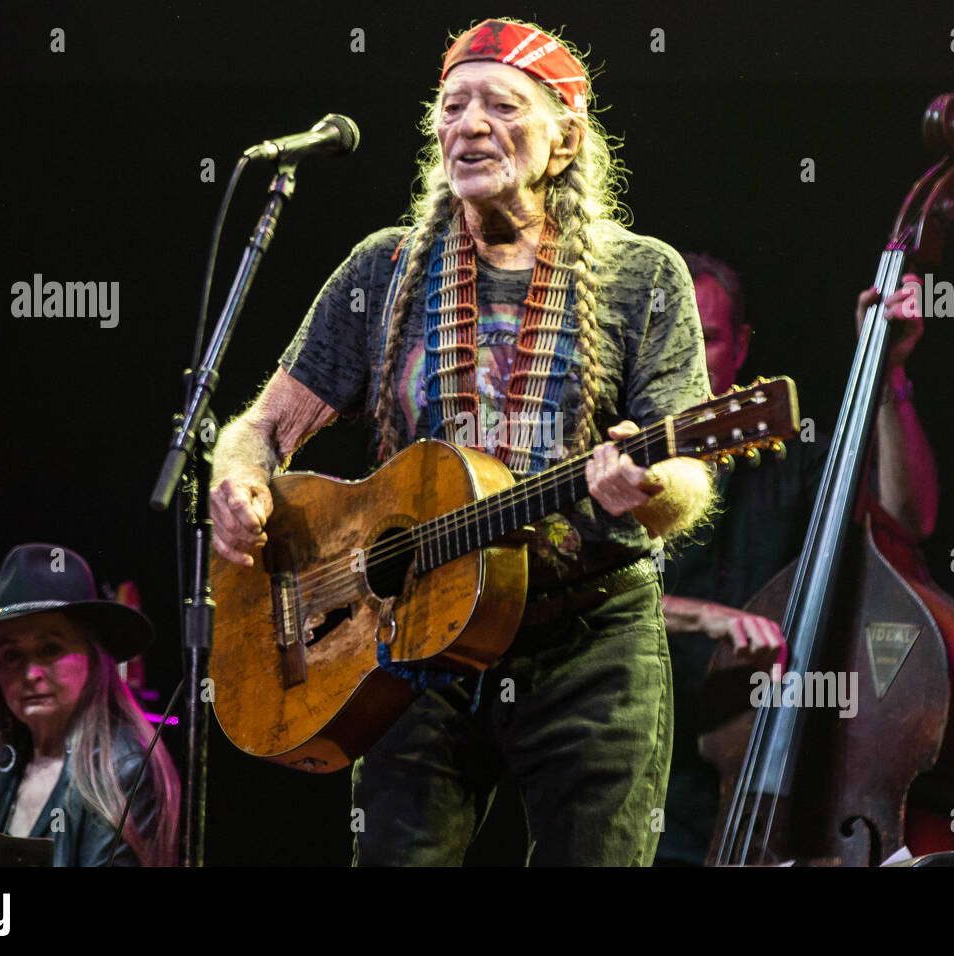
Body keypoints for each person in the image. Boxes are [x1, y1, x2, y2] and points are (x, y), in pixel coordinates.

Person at [210, 18, 714, 865]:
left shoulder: (643, 275)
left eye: (501, 104)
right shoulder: (385, 269)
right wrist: (238, 477)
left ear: (565, 139)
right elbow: (259, 428)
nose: (468, 124)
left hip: (586, 639)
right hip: (409, 641)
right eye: (451, 106)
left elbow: (689, 474)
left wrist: (653, 489)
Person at [655, 252, 937, 865]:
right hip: (654, 789)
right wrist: (708, 617)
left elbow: (910, 516)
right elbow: (592, 592)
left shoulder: (791, 456)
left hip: (779, 783)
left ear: (742, 347)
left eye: (705, 339)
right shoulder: (621, 462)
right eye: (670, 340)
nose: (686, 360)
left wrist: (885, 372)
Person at [0, 543, 180, 866]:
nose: (30, 673)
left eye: (50, 648)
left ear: (94, 658)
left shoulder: (123, 767)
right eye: (11, 656)